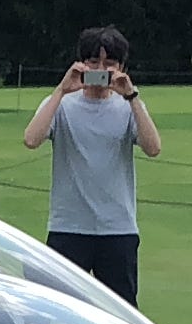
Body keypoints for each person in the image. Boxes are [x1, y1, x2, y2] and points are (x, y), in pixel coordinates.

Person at [19, 24, 163, 306]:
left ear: (121, 66)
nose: (100, 69)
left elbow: (153, 147)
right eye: (93, 62)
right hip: (68, 226)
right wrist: (62, 90)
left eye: (109, 63)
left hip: (117, 229)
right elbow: (31, 139)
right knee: (53, 310)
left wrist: (131, 96)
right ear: (81, 63)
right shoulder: (61, 105)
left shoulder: (128, 107)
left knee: (121, 314)